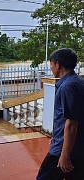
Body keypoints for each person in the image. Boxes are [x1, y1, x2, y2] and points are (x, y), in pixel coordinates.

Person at [37, 48, 84, 179]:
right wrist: (57, 135)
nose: (51, 68)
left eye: (51, 64)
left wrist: (64, 155)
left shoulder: (66, 87)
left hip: (63, 150)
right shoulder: (79, 82)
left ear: (58, 64)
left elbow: (71, 123)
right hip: (78, 148)